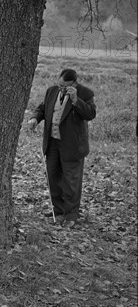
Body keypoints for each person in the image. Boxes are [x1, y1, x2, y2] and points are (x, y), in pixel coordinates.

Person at [28, 68, 96, 227]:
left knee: (71, 181)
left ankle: (71, 216)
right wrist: (34, 119)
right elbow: (43, 108)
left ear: (74, 83)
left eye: (65, 86)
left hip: (72, 146)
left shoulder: (85, 93)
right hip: (52, 143)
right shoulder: (51, 91)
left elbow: (90, 114)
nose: (61, 89)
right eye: (60, 85)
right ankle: (57, 211)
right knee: (53, 178)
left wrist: (75, 100)